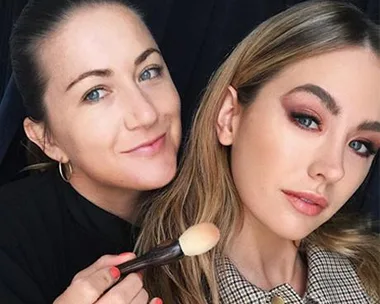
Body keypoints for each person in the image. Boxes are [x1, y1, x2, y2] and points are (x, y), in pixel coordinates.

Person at [137, 1, 380, 303]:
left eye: (360, 145)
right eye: (307, 119)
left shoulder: (370, 278)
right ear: (229, 116)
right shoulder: (146, 291)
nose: (333, 169)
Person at [0, 0, 181, 303]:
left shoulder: (217, 190)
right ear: (47, 139)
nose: (146, 114)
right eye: (95, 93)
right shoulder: (10, 243)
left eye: (148, 72)